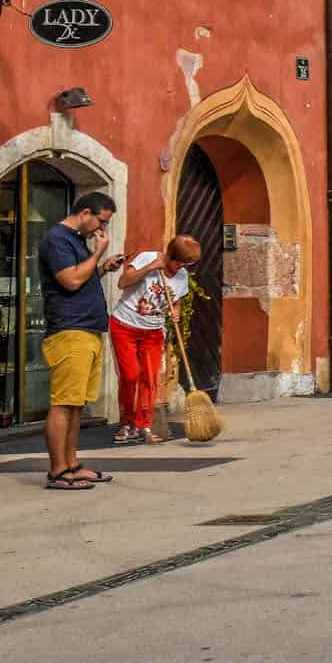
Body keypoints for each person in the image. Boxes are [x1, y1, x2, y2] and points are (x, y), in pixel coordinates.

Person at [38, 191, 121, 491]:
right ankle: (57, 471)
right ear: (85, 213)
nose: (103, 230)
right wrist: (98, 253)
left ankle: (72, 465)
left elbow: (81, 277)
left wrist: (101, 268)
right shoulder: (57, 239)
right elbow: (70, 281)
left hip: (87, 330)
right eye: (101, 221)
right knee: (63, 403)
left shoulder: (75, 241)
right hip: (69, 330)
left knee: (76, 405)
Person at [109, 234, 197, 445]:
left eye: (187, 264)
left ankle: (144, 425)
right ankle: (127, 423)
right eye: (181, 263)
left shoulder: (182, 276)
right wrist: (149, 267)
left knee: (149, 378)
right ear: (172, 257)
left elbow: (176, 301)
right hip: (125, 326)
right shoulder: (147, 258)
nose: (182, 267)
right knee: (130, 376)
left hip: (153, 331)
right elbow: (123, 282)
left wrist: (175, 311)